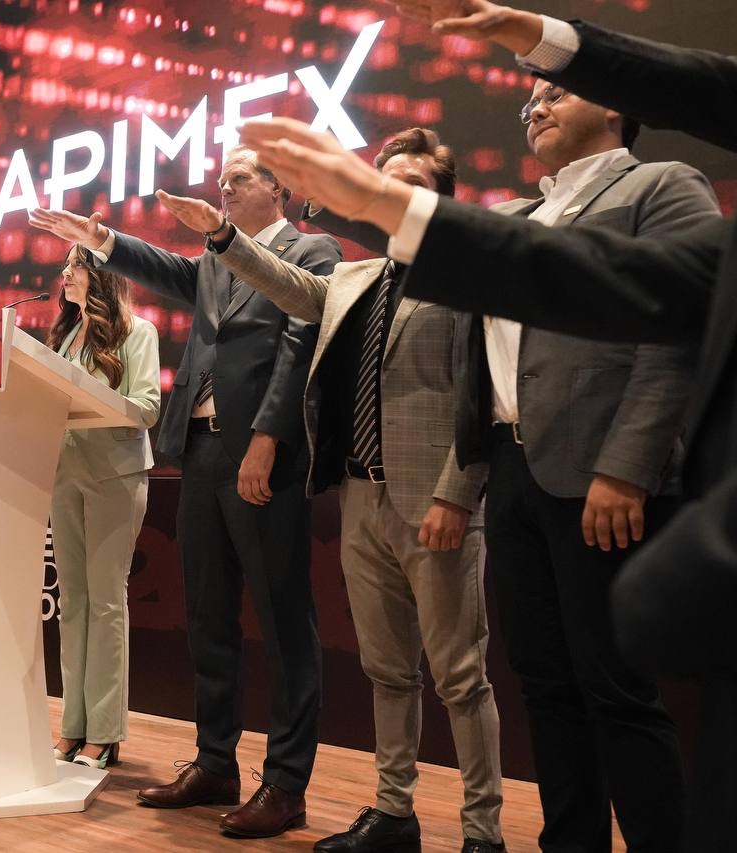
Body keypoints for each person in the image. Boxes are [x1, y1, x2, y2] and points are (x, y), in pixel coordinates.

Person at [238, 6, 737, 847]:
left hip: (596, 477)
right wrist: (331, 204)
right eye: (529, 99)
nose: (534, 106)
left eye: (554, 92)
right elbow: (470, 301)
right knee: (545, 684)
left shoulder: (660, 185)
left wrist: (626, 464)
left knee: (616, 690)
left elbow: (669, 336)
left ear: (614, 104)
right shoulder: (520, 214)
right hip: (511, 474)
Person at [159, 129, 506, 853]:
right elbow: (290, 287)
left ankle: (483, 833)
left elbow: (480, 393)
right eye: (386, 181)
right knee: (387, 670)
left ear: (441, 201)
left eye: (412, 184)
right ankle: (393, 813)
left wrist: (456, 493)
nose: (394, 193)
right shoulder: (357, 277)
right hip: (360, 496)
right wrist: (222, 235)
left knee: (461, 677)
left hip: (434, 502)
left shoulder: (468, 276)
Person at [30, 144, 341, 839]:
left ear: (279, 187)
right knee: (207, 618)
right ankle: (215, 763)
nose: (224, 187)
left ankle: (286, 782)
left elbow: (299, 350)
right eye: (222, 178)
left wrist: (268, 436)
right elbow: (163, 268)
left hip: (263, 453)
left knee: (285, 623)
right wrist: (100, 240)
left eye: (239, 178)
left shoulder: (312, 251)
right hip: (199, 453)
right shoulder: (213, 262)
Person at [40, 244, 160, 769]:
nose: (65, 273)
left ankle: (105, 733)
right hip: (63, 472)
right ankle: (73, 726)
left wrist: (91, 397)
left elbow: (148, 407)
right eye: (66, 266)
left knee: (107, 602)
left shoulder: (140, 332)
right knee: (73, 602)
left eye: (76, 265)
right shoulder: (64, 335)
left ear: (103, 274)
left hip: (115, 474)